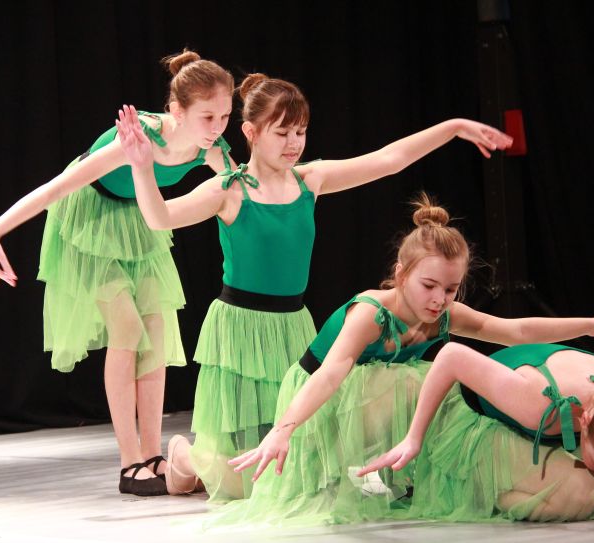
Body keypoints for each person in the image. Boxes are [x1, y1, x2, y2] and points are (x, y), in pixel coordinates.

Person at [115, 74, 514, 501]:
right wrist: (141, 167)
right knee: (243, 485)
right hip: (242, 330)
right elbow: (159, 218)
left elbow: (389, 159)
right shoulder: (228, 189)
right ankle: (186, 458)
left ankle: (204, 465)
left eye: (300, 132)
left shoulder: (310, 180)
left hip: (292, 327)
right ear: (251, 133)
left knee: (291, 473)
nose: (294, 143)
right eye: (282, 133)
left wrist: (453, 127)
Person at [175, 193, 594, 525]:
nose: (440, 299)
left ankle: (404, 474)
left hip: (374, 402)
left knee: (420, 384)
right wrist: (285, 428)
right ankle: (187, 461)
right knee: (269, 484)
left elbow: (514, 330)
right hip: (323, 399)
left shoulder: (443, 314)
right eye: (429, 286)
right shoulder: (371, 313)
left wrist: (587, 324)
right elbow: (332, 373)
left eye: (451, 289)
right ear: (401, 274)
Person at [0, 50, 234, 496]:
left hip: (139, 218)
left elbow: (241, 188)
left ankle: (153, 454)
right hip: (89, 219)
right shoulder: (136, 138)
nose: (217, 127)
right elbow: (57, 188)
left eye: (225, 116)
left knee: (155, 330)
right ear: (177, 111)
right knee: (127, 329)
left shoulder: (212, 148)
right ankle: (129, 462)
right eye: (207, 117)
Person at [359, 338, 594, 521]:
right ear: (586, 423)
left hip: (559, 419)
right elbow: (451, 356)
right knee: (580, 495)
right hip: (475, 418)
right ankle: (487, 491)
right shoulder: (538, 404)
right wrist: (414, 438)